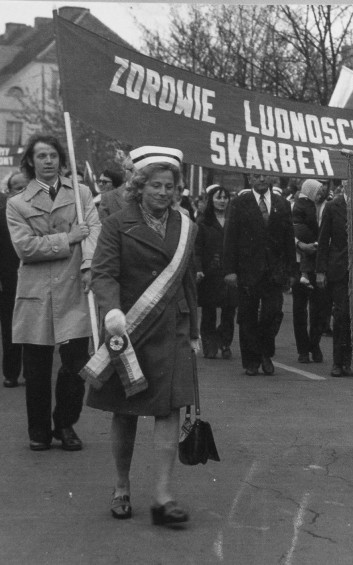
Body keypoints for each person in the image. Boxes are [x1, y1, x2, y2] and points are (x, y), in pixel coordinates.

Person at [85, 146, 198, 525]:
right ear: (139, 185)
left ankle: (163, 497)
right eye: (156, 185)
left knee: (169, 409)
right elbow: (102, 274)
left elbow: (187, 283)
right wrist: (112, 311)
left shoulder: (186, 227)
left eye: (170, 186)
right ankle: (121, 486)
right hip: (129, 326)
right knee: (126, 410)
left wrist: (195, 330)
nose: (164, 192)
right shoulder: (117, 223)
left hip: (174, 327)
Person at [6, 134, 100, 451]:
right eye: (41, 156)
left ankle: (65, 424)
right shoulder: (17, 204)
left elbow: (94, 232)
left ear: (61, 159)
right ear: (30, 162)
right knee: (37, 369)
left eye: (53, 155)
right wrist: (69, 237)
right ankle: (39, 430)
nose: (48, 161)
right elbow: (26, 248)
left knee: (75, 365)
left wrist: (88, 264)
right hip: (36, 292)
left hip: (75, 287)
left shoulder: (82, 194)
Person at [223, 174, 296, 376]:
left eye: (265, 176)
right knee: (247, 315)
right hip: (247, 270)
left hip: (274, 271)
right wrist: (229, 270)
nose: (261, 179)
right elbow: (230, 237)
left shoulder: (282, 204)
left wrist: (291, 270)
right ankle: (251, 360)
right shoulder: (240, 203)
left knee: (272, 313)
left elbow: (289, 238)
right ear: (250, 179)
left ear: (271, 178)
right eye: (257, 176)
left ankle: (266, 352)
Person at [316, 181, 353, 377]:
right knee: (341, 314)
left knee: (352, 317)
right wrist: (320, 270)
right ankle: (338, 362)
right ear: (344, 185)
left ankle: (348, 362)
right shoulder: (333, 206)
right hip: (338, 268)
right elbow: (323, 240)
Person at [195, 184, 237, 360]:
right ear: (211, 200)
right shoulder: (203, 222)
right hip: (209, 273)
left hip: (230, 272)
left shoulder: (234, 220)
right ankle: (209, 344)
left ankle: (224, 341)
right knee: (209, 311)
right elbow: (196, 249)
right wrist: (198, 269)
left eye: (225, 197)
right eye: (218, 197)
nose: (222, 201)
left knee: (229, 310)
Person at [292, 179, 330, 363]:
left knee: (319, 309)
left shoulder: (325, 206)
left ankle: (313, 343)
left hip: (318, 263)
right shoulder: (298, 206)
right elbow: (294, 231)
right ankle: (304, 349)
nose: (320, 193)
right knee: (301, 309)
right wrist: (303, 244)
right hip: (300, 263)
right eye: (317, 190)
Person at [0, 172, 27, 388]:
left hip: (34, 278)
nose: (21, 192)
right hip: (8, 281)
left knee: (33, 328)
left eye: (24, 187)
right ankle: (11, 373)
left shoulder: (39, 215)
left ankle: (31, 371)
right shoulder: (1, 216)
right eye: (16, 188)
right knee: (10, 329)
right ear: (9, 192)